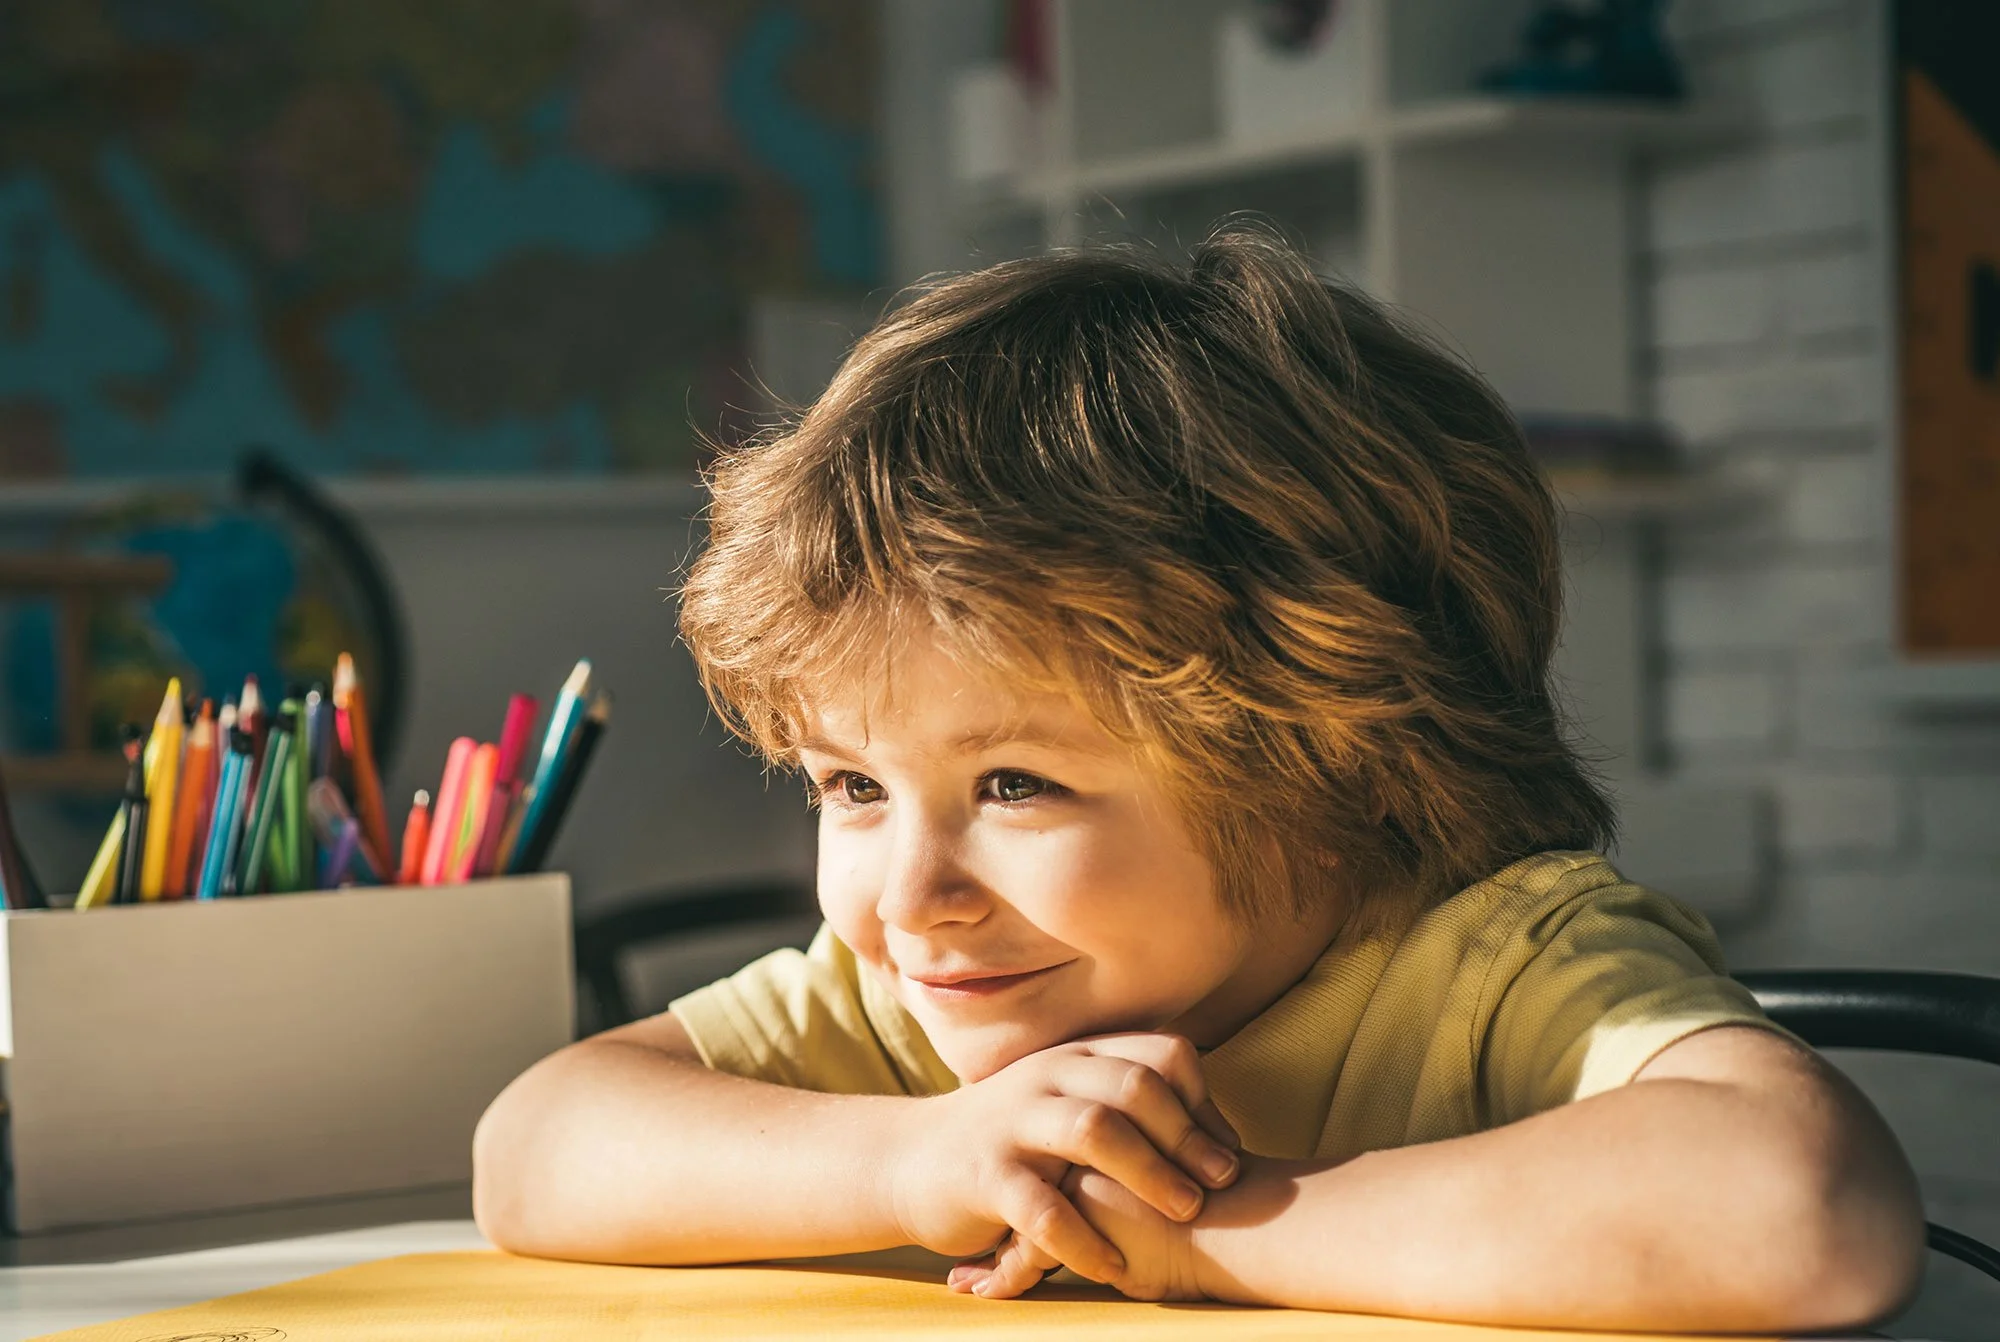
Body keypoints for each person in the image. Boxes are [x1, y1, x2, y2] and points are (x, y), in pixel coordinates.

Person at [473, 230, 1924, 1331]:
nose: (908, 895)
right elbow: (532, 1145)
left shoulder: (1492, 964)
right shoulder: (928, 1006)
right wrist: (915, 1160)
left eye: (1018, 783)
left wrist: (1200, 1231)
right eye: (851, 785)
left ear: (1332, 758)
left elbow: (1802, 1208)